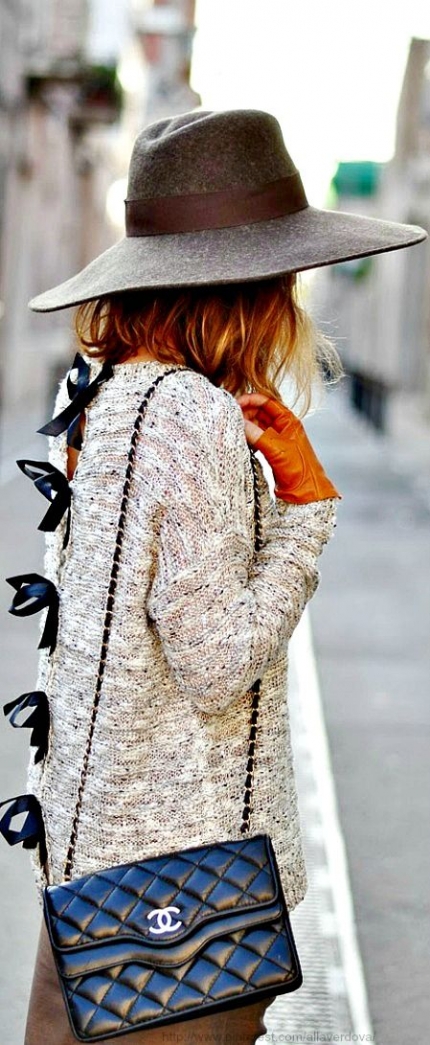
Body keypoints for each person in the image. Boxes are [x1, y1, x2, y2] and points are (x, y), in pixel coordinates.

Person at [0, 109, 425, 1045]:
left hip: (92, 875)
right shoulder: (191, 415)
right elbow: (216, 659)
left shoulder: (101, 392)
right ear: (253, 284)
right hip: (181, 903)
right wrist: (304, 513)